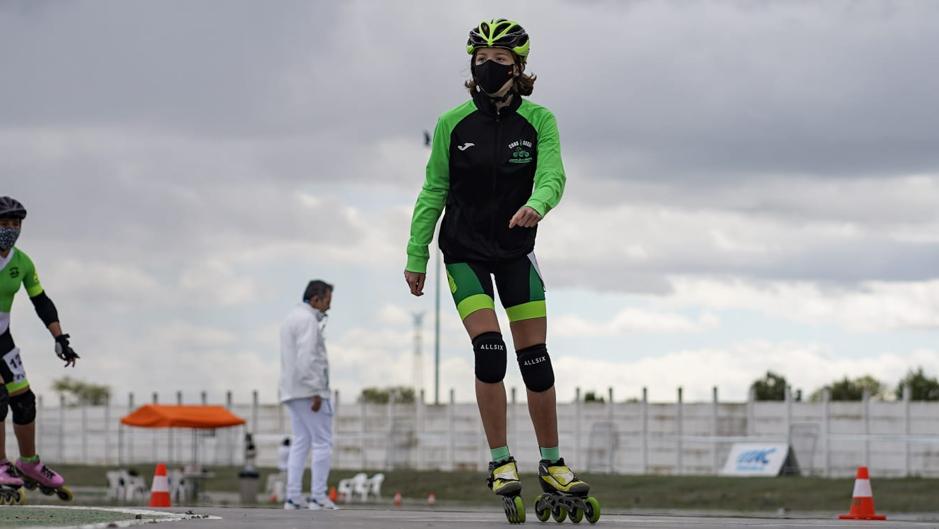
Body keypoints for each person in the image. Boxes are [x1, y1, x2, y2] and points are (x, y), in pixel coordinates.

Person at [404, 19, 598, 523]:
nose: (488, 69)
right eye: (481, 60)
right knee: (490, 352)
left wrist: (538, 204)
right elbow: (433, 190)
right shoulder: (452, 124)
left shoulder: (539, 121)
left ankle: (552, 464)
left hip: (516, 251)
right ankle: (500, 461)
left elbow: (553, 173)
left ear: (519, 69)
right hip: (464, 251)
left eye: (500, 62)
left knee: (535, 359)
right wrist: (416, 253)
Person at [0, 196, 80, 504]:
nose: (10, 230)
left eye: (15, 224)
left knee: (24, 402)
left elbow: (41, 302)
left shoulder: (22, 262)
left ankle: (28, 462)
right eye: (4, 224)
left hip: (2, 339)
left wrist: (60, 338)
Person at [278, 280, 337, 511]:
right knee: (323, 442)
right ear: (315, 299)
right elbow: (307, 358)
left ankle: (293, 497)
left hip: (291, 390)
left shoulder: (291, 318)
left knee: (301, 442)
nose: (328, 308)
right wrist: (315, 390)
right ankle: (318, 497)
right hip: (308, 390)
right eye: (327, 302)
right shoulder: (308, 321)